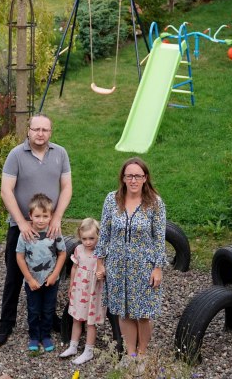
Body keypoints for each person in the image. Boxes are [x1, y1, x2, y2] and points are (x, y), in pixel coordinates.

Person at [0, 113, 72, 346]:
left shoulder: (60, 154)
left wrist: (57, 217)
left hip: (49, 228)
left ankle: (49, 319)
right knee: (14, 277)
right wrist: (21, 222)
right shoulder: (16, 155)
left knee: (49, 274)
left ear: (51, 132)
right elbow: (6, 190)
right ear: (28, 131)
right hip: (22, 227)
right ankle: (6, 323)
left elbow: (67, 187)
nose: (40, 134)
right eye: (36, 129)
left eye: (45, 130)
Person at [94, 157, 166, 367]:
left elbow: (159, 239)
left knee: (142, 313)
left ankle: (142, 354)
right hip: (116, 266)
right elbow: (104, 234)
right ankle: (131, 354)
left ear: (145, 178)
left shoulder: (155, 203)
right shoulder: (111, 200)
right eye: (129, 176)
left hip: (143, 267)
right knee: (123, 312)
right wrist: (100, 263)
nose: (133, 180)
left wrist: (158, 268)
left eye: (138, 176)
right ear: (123, 178)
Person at [16, 193, 67, 355]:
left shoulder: (54, 233)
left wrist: (54, 275)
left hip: (51, 281)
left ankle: (45, 335)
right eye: (37, 216)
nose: (41, 220)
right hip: (32, 282)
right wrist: (29, 279)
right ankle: (34, 336)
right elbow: (20, 257)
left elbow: (62, 254)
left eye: (45, 216)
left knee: (48, 309)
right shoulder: (25, 235)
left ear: (51, 216)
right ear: (30, 216)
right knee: (33, 309)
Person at [59, 217, 104, 365]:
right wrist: (71, 285)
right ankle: (73, 346)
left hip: (93, 291)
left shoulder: (101, 252)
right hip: (79, 289)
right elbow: (74, 267)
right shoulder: (78, 249)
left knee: (90, 322)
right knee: (77, 318)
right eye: (84, 239)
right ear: (80, 237)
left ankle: (88, 351)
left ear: (98, 235)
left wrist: (101, 273)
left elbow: (104, 269)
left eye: (92, 238)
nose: (88, 242)